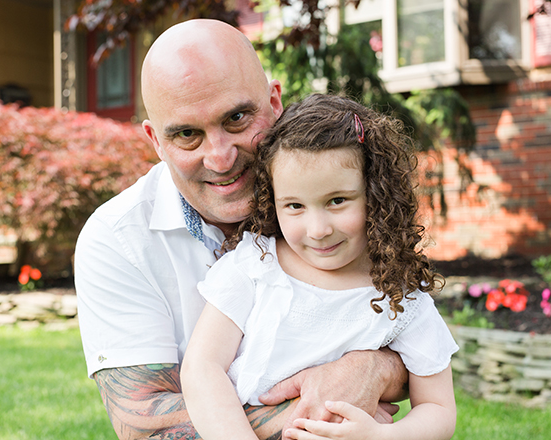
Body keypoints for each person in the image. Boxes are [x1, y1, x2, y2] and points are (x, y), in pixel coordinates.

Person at [74, 20, 407, 440]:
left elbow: (414, 328)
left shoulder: (331, 204)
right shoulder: (117, 239)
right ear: (155, 141)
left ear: (274, 102)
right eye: (187, 135)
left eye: (236, 118)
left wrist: (373, 367)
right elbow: (144, 424)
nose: (220, 157)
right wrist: (320, 412)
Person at [181, 94, 458, 440]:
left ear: (376, 193)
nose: (318, 229)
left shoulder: (400, 297)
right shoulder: (256, 266)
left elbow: (439, 410)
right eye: (295, 205)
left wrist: (377, 436)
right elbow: (202, 368)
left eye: (337, 201)